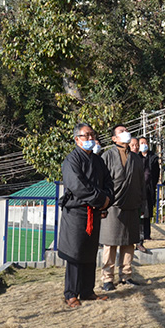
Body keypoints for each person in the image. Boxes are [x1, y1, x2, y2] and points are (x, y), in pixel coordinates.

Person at [58, 123, 114, 307]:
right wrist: (100, 199)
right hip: (76, 211)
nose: (90, 139)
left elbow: (108, 182)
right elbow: (77, 186)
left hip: (95, 211)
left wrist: (107, 199)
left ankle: (87, 291)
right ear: (77, 139)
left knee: (90, 252)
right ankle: (71, 293)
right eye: (86, 135)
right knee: (75, 252)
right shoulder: (71, 160)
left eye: (92, 135)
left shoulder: (98, 160)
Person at [99, 124, 146, 291]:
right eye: (121, 132)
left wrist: (142, 204)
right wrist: (103, 205)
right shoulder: (107, 156)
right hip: (112, 206)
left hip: (132, 205)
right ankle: (107, 278)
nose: (126, 133)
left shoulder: (136, 158)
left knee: (129, 243)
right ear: (114, 138)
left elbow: (142, 184)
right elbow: (102, 182)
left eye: (127, 131)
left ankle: (126, 275)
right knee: (110, 243)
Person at [136, 136, 160, 253]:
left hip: (149, 189)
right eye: (141, 143)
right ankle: (138, 238)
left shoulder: (153, 157)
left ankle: (146, 234)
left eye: (145, 143)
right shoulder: (135, 157)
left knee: (148, 212)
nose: (143, 145)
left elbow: (156, 174)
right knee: (139, 214)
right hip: (138, 190)